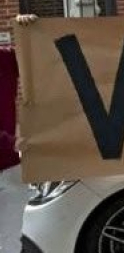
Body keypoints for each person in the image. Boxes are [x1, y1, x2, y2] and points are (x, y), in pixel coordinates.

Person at [1, 15, 35, 253]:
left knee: (10, 243)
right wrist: (11, 142)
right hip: (11, 153)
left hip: (10, 170)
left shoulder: (4, 59)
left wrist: (29, 31)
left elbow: (40, 59)